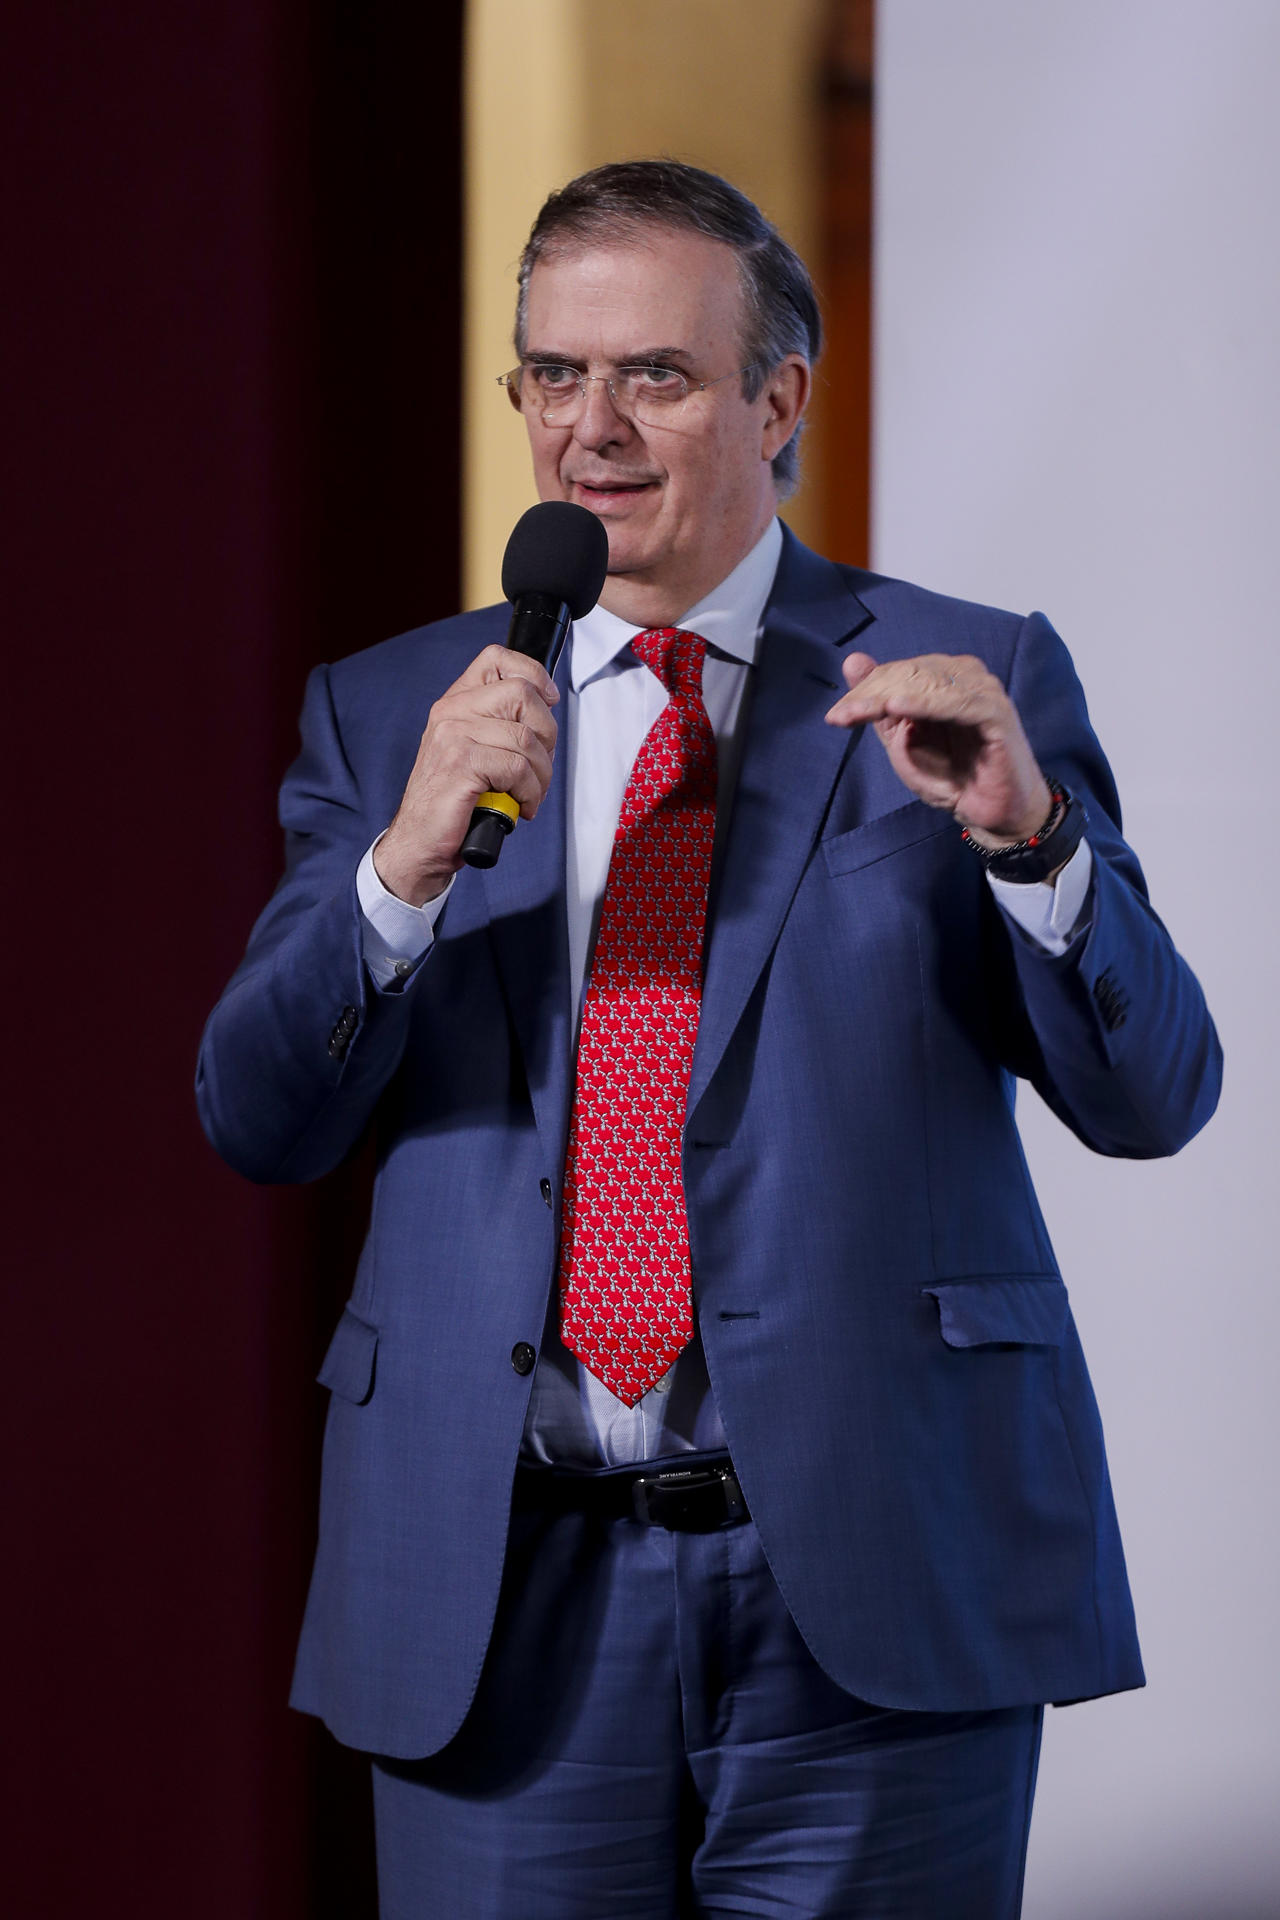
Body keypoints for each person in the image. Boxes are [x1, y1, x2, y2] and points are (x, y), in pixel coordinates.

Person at [197, 161, 1221, 1918]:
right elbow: (259, 1112)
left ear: (779, 400)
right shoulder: (396, 716)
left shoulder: (966, 677)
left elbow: (1155, 1093)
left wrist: (1032, 839)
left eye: (652, 375)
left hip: (879, 1588)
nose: (590, 427)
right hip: (504, 1597)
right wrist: (402, 865)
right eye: (551, 376)